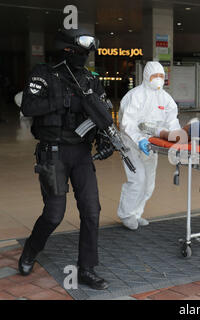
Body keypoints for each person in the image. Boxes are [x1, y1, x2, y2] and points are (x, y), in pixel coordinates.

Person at [18, 28, 112, 290]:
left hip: (82, 153)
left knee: (92, 212)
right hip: (54, 151)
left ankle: (87, 269)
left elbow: (103, 113)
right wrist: (65, 101)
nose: (84, 58)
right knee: (54, 214)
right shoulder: (44, 74)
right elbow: (28, 106)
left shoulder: (91, 80)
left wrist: (105, 139)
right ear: (66, 49)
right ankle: (30, 250)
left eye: (87, 54)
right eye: (79, 52)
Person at [117, 61, 180, 230]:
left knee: (149, 182)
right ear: (146, 76)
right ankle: (126, 214)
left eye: (161, 76)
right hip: (130, 142)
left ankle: (137, 213)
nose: (158, 79)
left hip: (150, 144)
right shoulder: (135, 95)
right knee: (137, 179)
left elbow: (172, 120)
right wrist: (139, 139)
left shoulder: (165, 97)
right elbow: (126, 123)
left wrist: (177, 137)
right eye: (155, 76)